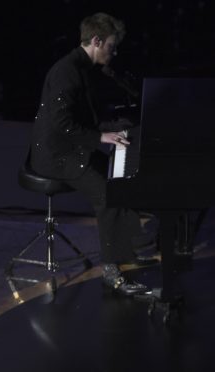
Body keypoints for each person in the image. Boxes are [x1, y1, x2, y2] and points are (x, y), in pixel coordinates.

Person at [29, 12, 151, 296]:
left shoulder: (86, 68)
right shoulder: (66, 71)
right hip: (55, 154)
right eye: (111, 45)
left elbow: (86, 115)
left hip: (74, 146)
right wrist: (100, 137)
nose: (115, 52)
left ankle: (127, 248)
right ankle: (111, 270)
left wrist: (114, 129)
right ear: (96, 41)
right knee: (107, 194)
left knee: (119, 178)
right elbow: (61, 124)